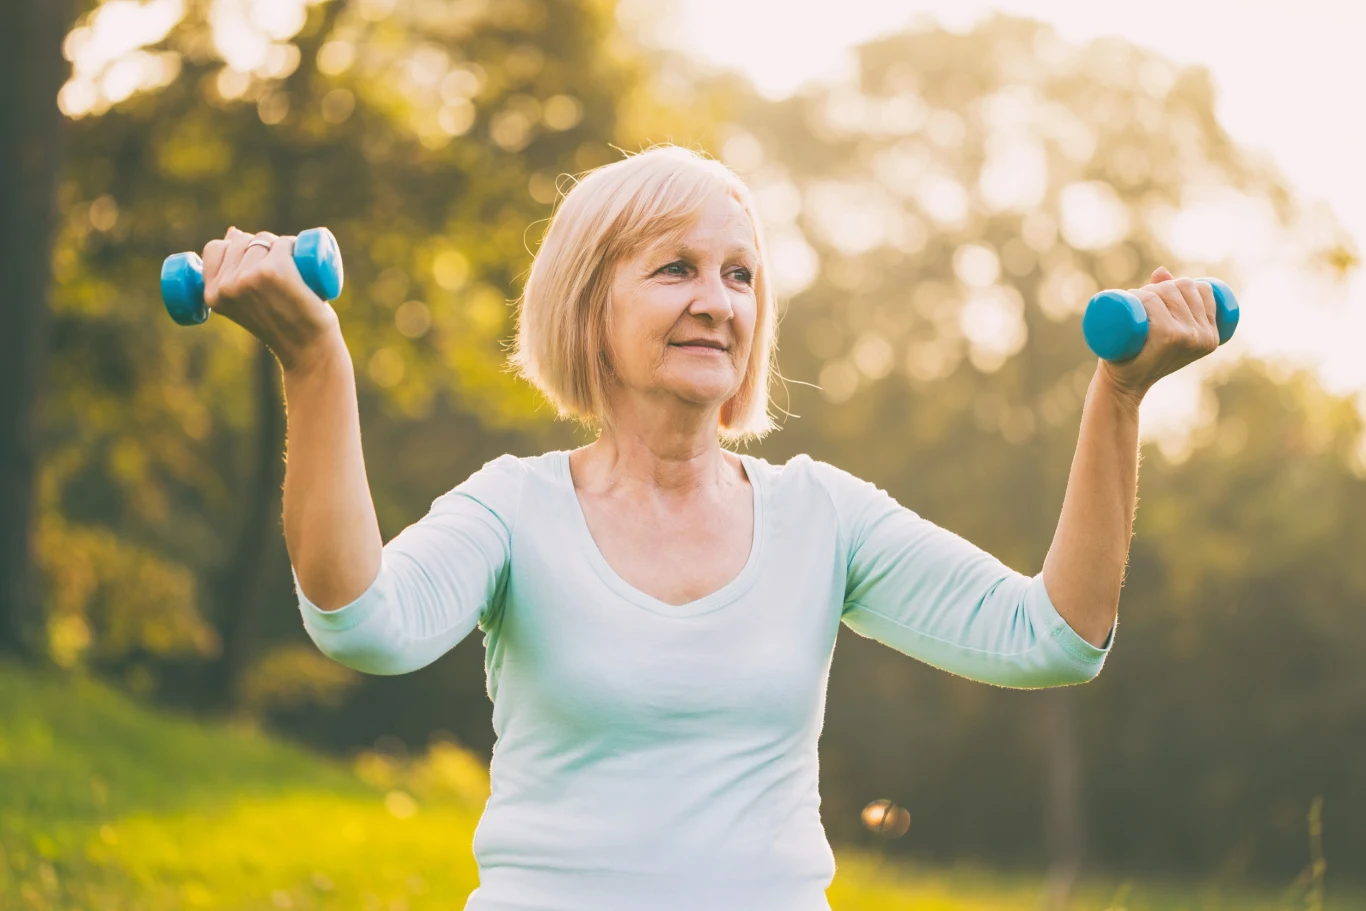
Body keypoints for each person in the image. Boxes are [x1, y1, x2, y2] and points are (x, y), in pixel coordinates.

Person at [198, 144, 1223, 910]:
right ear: (589, 304)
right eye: (675, 268)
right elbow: (361, 621)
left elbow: (1052, 637)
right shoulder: (514, 508)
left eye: (739, 274)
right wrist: (313, 363)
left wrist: (1118, 399)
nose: (717, 302)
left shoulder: (821, 515)